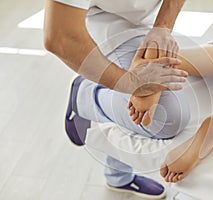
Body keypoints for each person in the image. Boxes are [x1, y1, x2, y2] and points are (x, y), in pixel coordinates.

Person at [44, 0, 187, 199]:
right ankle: (85, 96)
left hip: (150, 20)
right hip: (102, 25)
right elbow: (59, 37)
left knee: (149, 102)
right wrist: (131, 84)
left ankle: (118, 176)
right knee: (166, 119)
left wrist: (162, 27)